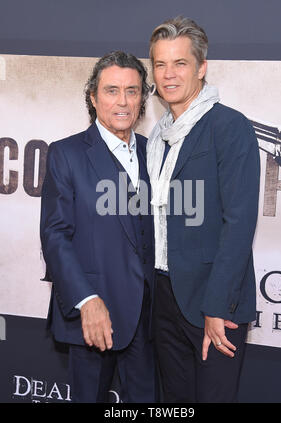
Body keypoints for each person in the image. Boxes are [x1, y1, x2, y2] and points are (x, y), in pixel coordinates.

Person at [147, 16, 260, 403]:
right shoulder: (156, 137)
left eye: (180, 63)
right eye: (160, 64)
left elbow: (239, 223)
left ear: (201, 67)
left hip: (214, 302)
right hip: (164, 296)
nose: (169, 74)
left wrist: (217, 306)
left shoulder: (230, 127)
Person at [40, 51, 156, 403]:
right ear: (93, 97)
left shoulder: (157, 153)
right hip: (93, 315)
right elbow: (55, 234)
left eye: (132, 91)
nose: (122, 101)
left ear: (143, 98)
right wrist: (86, 300)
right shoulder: (67, 154)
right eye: (111, 90)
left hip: (147, 320)